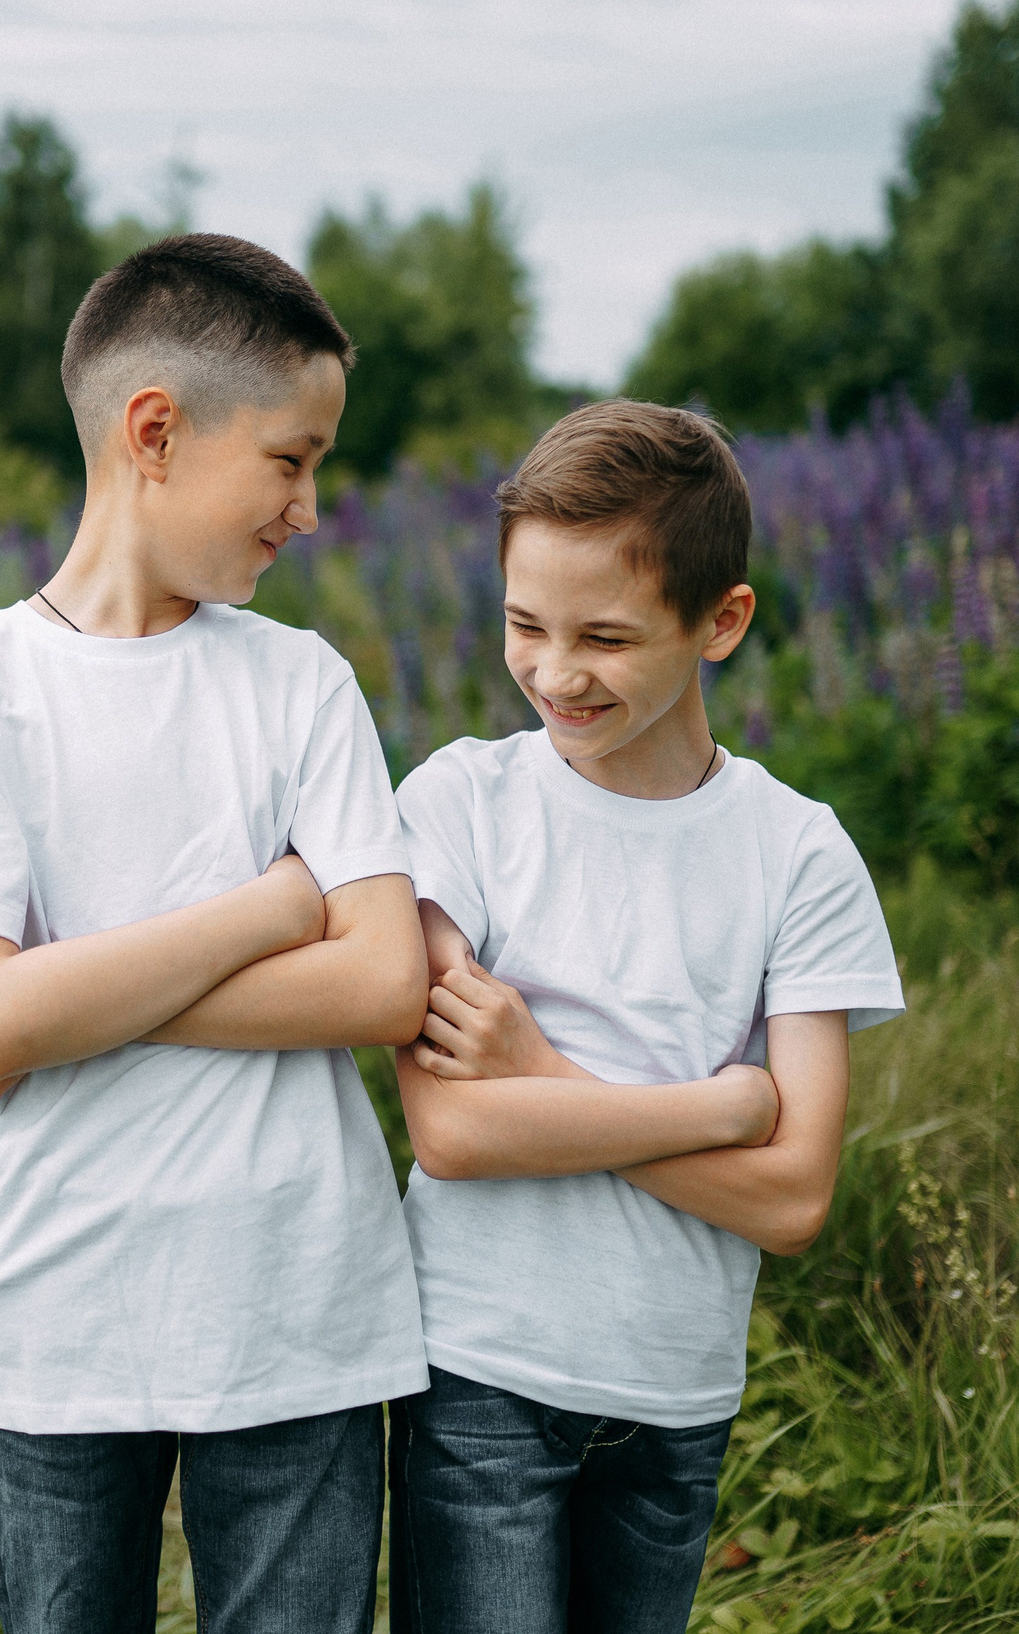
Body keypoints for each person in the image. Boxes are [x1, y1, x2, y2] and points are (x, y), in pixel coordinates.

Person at [0, 233, 430, 1634]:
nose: (311, 510)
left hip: (299, 1302)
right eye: (291, 460)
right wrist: (276, 905)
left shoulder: (302, 681)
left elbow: (383, 980)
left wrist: (66, 999)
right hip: (63, 1309)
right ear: (156, 431)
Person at [388, 401, 906, 1634]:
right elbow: (454, 1133)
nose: (554, 672)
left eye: (606, 637)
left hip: (676, 1393)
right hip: (479, 1373)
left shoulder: (798, 853)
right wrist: (721, 1107)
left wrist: (538, 1066)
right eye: (524, 623)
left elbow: (793, 1198)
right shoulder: (459, 804)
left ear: (720, 620)